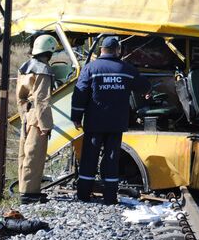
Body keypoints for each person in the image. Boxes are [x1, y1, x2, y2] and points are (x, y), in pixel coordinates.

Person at [70, 37, 149, 204]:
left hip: (94, 122)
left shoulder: (91, 68)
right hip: (116, 122)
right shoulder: (126, 69)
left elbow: (80, 93)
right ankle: (110, 197)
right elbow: (144, 86)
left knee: (89, 157)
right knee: (112, 158)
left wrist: (76, 116)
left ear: (101, 49)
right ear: (117, 50)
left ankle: (83, 194)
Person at [16, 34, 58, 204]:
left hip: (27, 114)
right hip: (37, 117)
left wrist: (23, 116)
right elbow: (42, 100)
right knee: (35, 155)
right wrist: (46, 125)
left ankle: (23, 189)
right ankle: (30, 193)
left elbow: (20, 97)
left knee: (24, 154)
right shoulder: (44, 69)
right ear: (50, 51)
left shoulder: (24, 67)